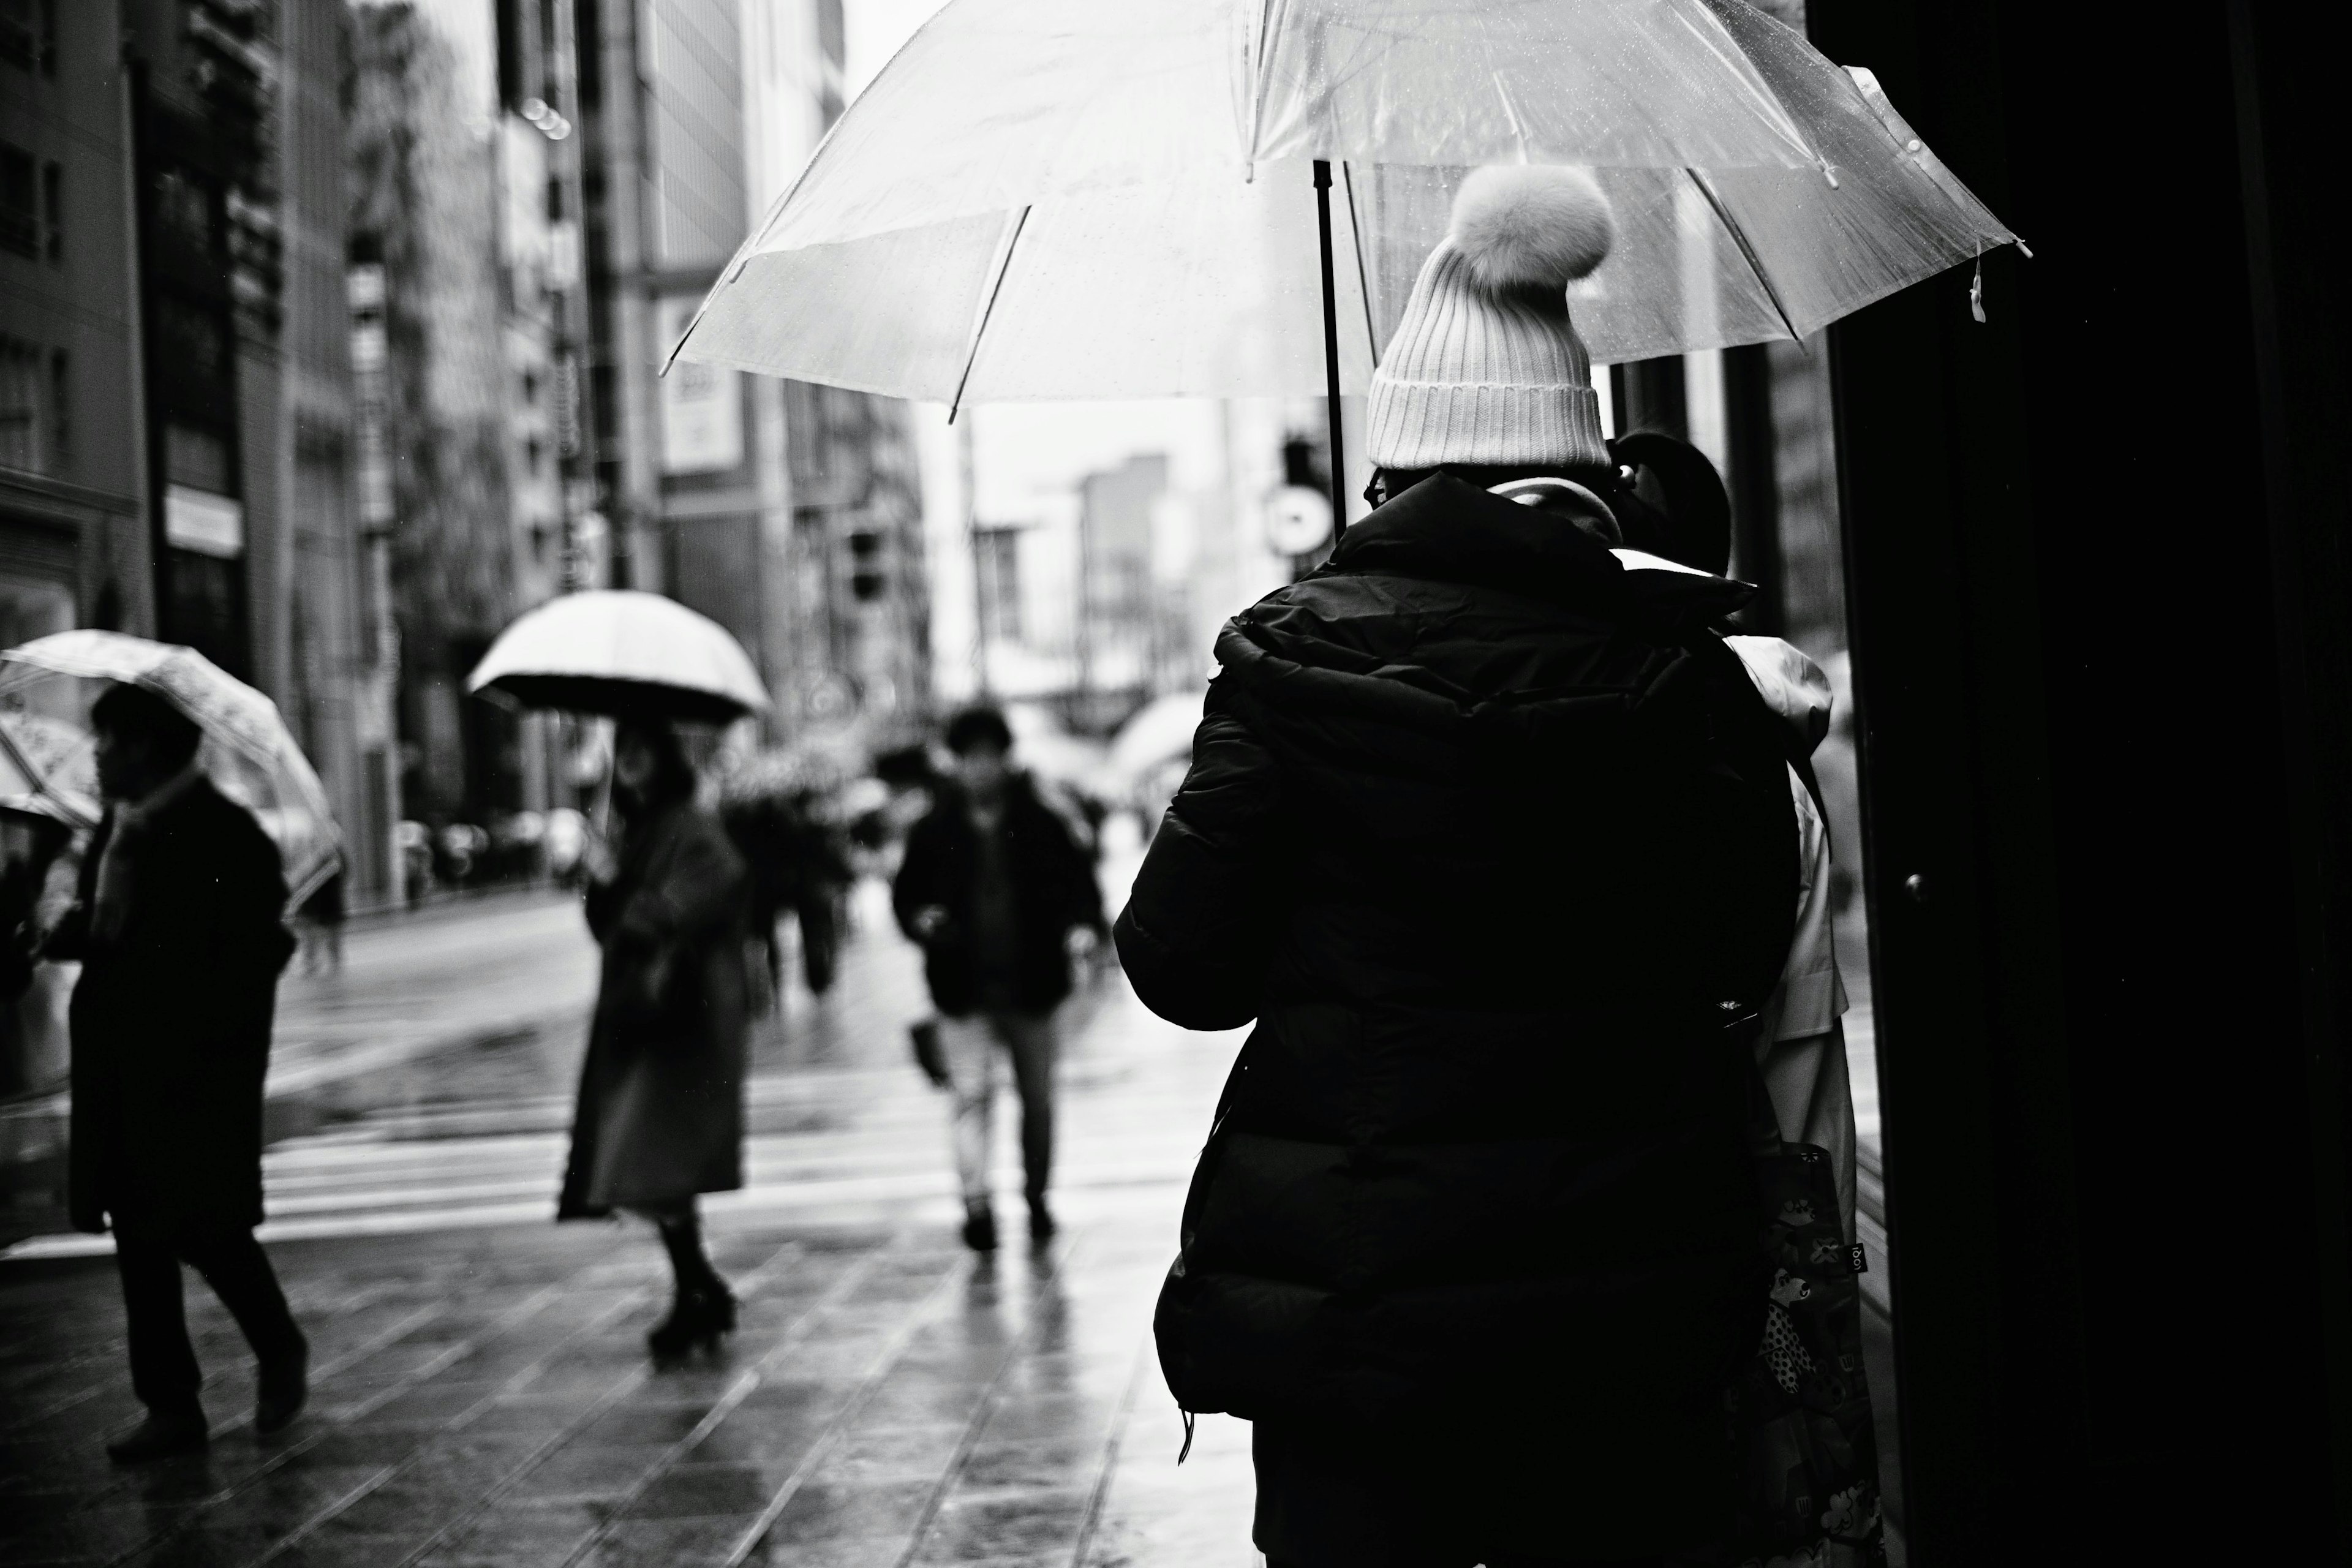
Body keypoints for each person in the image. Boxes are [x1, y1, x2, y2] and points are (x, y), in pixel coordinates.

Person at [1115, 165, 1807, 1567]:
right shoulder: (1683, 673)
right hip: (1629, 1304)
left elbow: (1181, 966)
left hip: (1360, 1310)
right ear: (1582, 461)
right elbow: (1742, 944)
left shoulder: (1287, 667)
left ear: (1393, 469)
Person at [48, 684, 304, 1463]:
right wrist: (76, 932)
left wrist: (146, 957)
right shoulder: (117, 833)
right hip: (122, 1067)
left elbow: (251, 949)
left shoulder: (225, 836)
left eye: (108, 741)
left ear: (146, 749)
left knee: (207, 1227)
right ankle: (170, 1402)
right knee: (138, 1233)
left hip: (193, 1071)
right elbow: (111, 936)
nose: (96, 755)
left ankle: (279, 1345)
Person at [557, 718, 752, 1358]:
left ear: (664, 758)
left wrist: (619, 880)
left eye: (641, 750)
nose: (631, 763)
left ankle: (699, 1291)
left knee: (646, 1160)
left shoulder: (691, 827)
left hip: (682, 1021)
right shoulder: (636, 827)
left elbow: (677, 907)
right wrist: (604, 875)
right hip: (645, 1019)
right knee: (652, 1166)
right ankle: (699, 1291)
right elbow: (606, 925)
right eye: (624, 753)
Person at [894, 705, 1103, 1252]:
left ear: (1005, 759)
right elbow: (907, 896)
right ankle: (977, 1203)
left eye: (990, 756)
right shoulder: (933, 828)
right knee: (971, 1095)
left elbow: (1081, 886)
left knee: (1037, 1099)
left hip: (1032, 985)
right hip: (961, 988)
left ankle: (1036, 1195)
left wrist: (1080, 928)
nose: (981, 768)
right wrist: (921, 920)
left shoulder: (1040, 820)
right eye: (971, 757)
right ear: (956, 763)